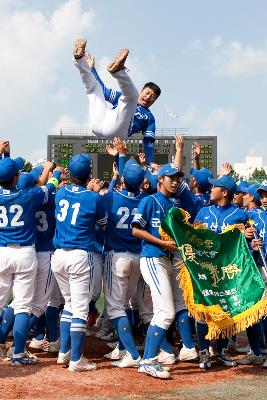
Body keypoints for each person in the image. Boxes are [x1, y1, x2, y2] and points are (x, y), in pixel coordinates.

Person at [0, 157, 60, 366]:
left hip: (1, 252)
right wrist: (56, 173)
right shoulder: (28, 195)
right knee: (23, 306)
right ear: (16, 176)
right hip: (25, 253)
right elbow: (50, 186)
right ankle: (18, 353)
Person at [51, 154, 107, 372]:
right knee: (80, 310)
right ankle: (76, 359)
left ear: (70, 174)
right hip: (79, 256)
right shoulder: (94, 199)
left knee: (70, 305)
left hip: (59, 256)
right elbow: (103, 224)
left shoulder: (60, 192)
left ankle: (64, 353)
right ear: (88, 174)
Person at [74, 39, 161, 164]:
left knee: (131, 97)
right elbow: (103, 90)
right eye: (147, 93)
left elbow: (148, 142)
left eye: (152, 97)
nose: (148, 97)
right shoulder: (122, 97)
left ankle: (119, 71)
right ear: (143, 91)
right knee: (94, 91)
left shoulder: (149, 117)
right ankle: (79, 59)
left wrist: (150, 162)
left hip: (117, 131)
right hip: (98, 123)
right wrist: (92, 69)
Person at [132, 163, 181, 379]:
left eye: (177, 178)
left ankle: (150, 359)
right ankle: (148, 361)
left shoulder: (172, 204)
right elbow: (135, 230)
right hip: (152, 257)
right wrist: (162, 243)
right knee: (165, 312)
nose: (175, 181)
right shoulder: (148, 200)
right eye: (170, 177)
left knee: (163, 311)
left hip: (167, 259)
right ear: (159, 179)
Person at [194, 175, 248, 369]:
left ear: (224, 192)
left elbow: (246, 243)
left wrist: (249, 237)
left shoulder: (240, 215)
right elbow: (194, 237)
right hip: (205, 269)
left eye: (215, 187)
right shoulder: (203, 212)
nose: (211, 190)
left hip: (227, 271)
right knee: (203, 312)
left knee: (226, 310)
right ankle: (203, 351)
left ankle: (222, 351)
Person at [101, 161, 146, 367]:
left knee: (115, 309)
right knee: (126, 305)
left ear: (124, 180)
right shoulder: (145, 200)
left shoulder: (111, 196)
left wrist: (114, 179)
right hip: (137, 257)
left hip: (117, 256)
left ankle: (132, 354)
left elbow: (101, 219)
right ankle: (121, 348)